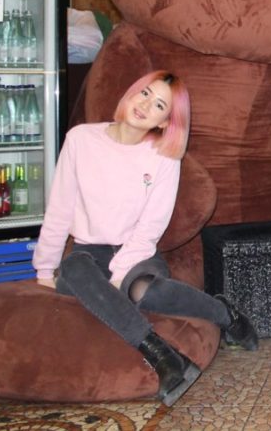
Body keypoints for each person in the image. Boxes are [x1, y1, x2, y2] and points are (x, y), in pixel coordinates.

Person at [32, 70, 258, 406]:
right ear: (131, 92)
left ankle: (226, 314)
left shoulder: (163, 156)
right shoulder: (80, 139)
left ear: (165, 122)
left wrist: (118, 274)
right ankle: (163, 356)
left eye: (159, 105)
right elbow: (59, 208)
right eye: (145, 93)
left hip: (138, 251)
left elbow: (151, 226)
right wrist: (44, 269)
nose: (145, 105)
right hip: (89, 252)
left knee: (142, 289)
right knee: (74, 268)